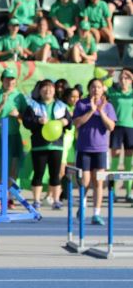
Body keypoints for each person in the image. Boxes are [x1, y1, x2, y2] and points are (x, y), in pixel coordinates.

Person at [23, 79, 73, 210]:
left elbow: (69, 121)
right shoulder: (33, 106)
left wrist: (65, 121)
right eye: (44, 88)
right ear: (39, 91)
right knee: (38, 173)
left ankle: (56, 200)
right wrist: (38, 120)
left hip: (56, 145)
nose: (48, 90)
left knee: (55, 174)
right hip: (39, 145)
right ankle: (36, 201)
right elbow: (27, 122)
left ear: (54, 90)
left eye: (50, 88)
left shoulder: (61, 106)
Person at [73, 78, 117, 225]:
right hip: (84, 148)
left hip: (101, 149)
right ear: (89, 89)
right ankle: (83, 207)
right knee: (85, 181)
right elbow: (77, 123)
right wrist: (91, 110)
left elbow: (111, 127)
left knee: (98, 182)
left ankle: (96, 214)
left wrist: (100, 112)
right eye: (93, 87)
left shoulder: (108, 106)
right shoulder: (81, 104)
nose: (96, 90)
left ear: (103, 89)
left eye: (98, 87)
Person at [0, 67, 28, 210]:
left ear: (15, 81)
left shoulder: (19, 97)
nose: (9, 82)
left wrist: (19, 115)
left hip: (14, 136)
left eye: (12, 79)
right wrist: (2, 104)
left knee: (13, 168)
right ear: (2, 80)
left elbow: (27, 117)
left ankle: (10, 197)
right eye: (7, 79)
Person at [108, 69, 133, 202]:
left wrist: (131, 75)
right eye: (121, 78)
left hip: (130, 128)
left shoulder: (131, 94)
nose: (123, 80)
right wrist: (108, 76)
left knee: (129, 163)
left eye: (126, 78)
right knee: (115, 162)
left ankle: (129, 192)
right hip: (116, 128)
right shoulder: (113, 93)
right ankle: (113, 192)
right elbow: (100, 86)